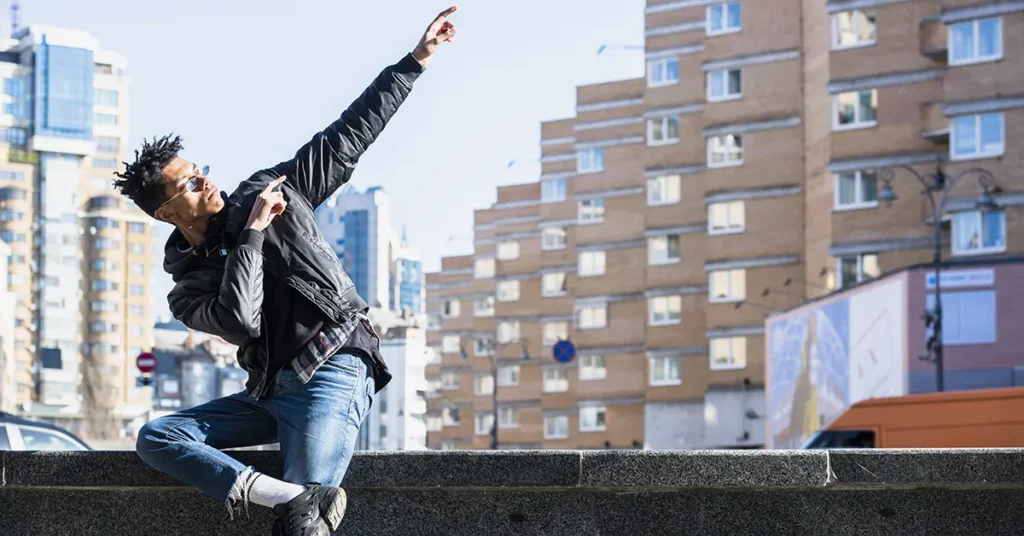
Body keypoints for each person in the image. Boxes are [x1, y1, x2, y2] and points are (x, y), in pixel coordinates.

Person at [113, 7, 458, 535]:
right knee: (157, 437)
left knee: (304, 527)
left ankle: (298, 502)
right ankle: (289, 498)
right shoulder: (187, 290)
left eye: (200, 171)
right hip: (270, 392)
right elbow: (241, 320)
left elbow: (346, 137)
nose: (206, 181)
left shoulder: (271, 190)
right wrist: (252, 234)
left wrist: (416, 61)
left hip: (333, 364)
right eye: (189, 183)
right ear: (165, 213)